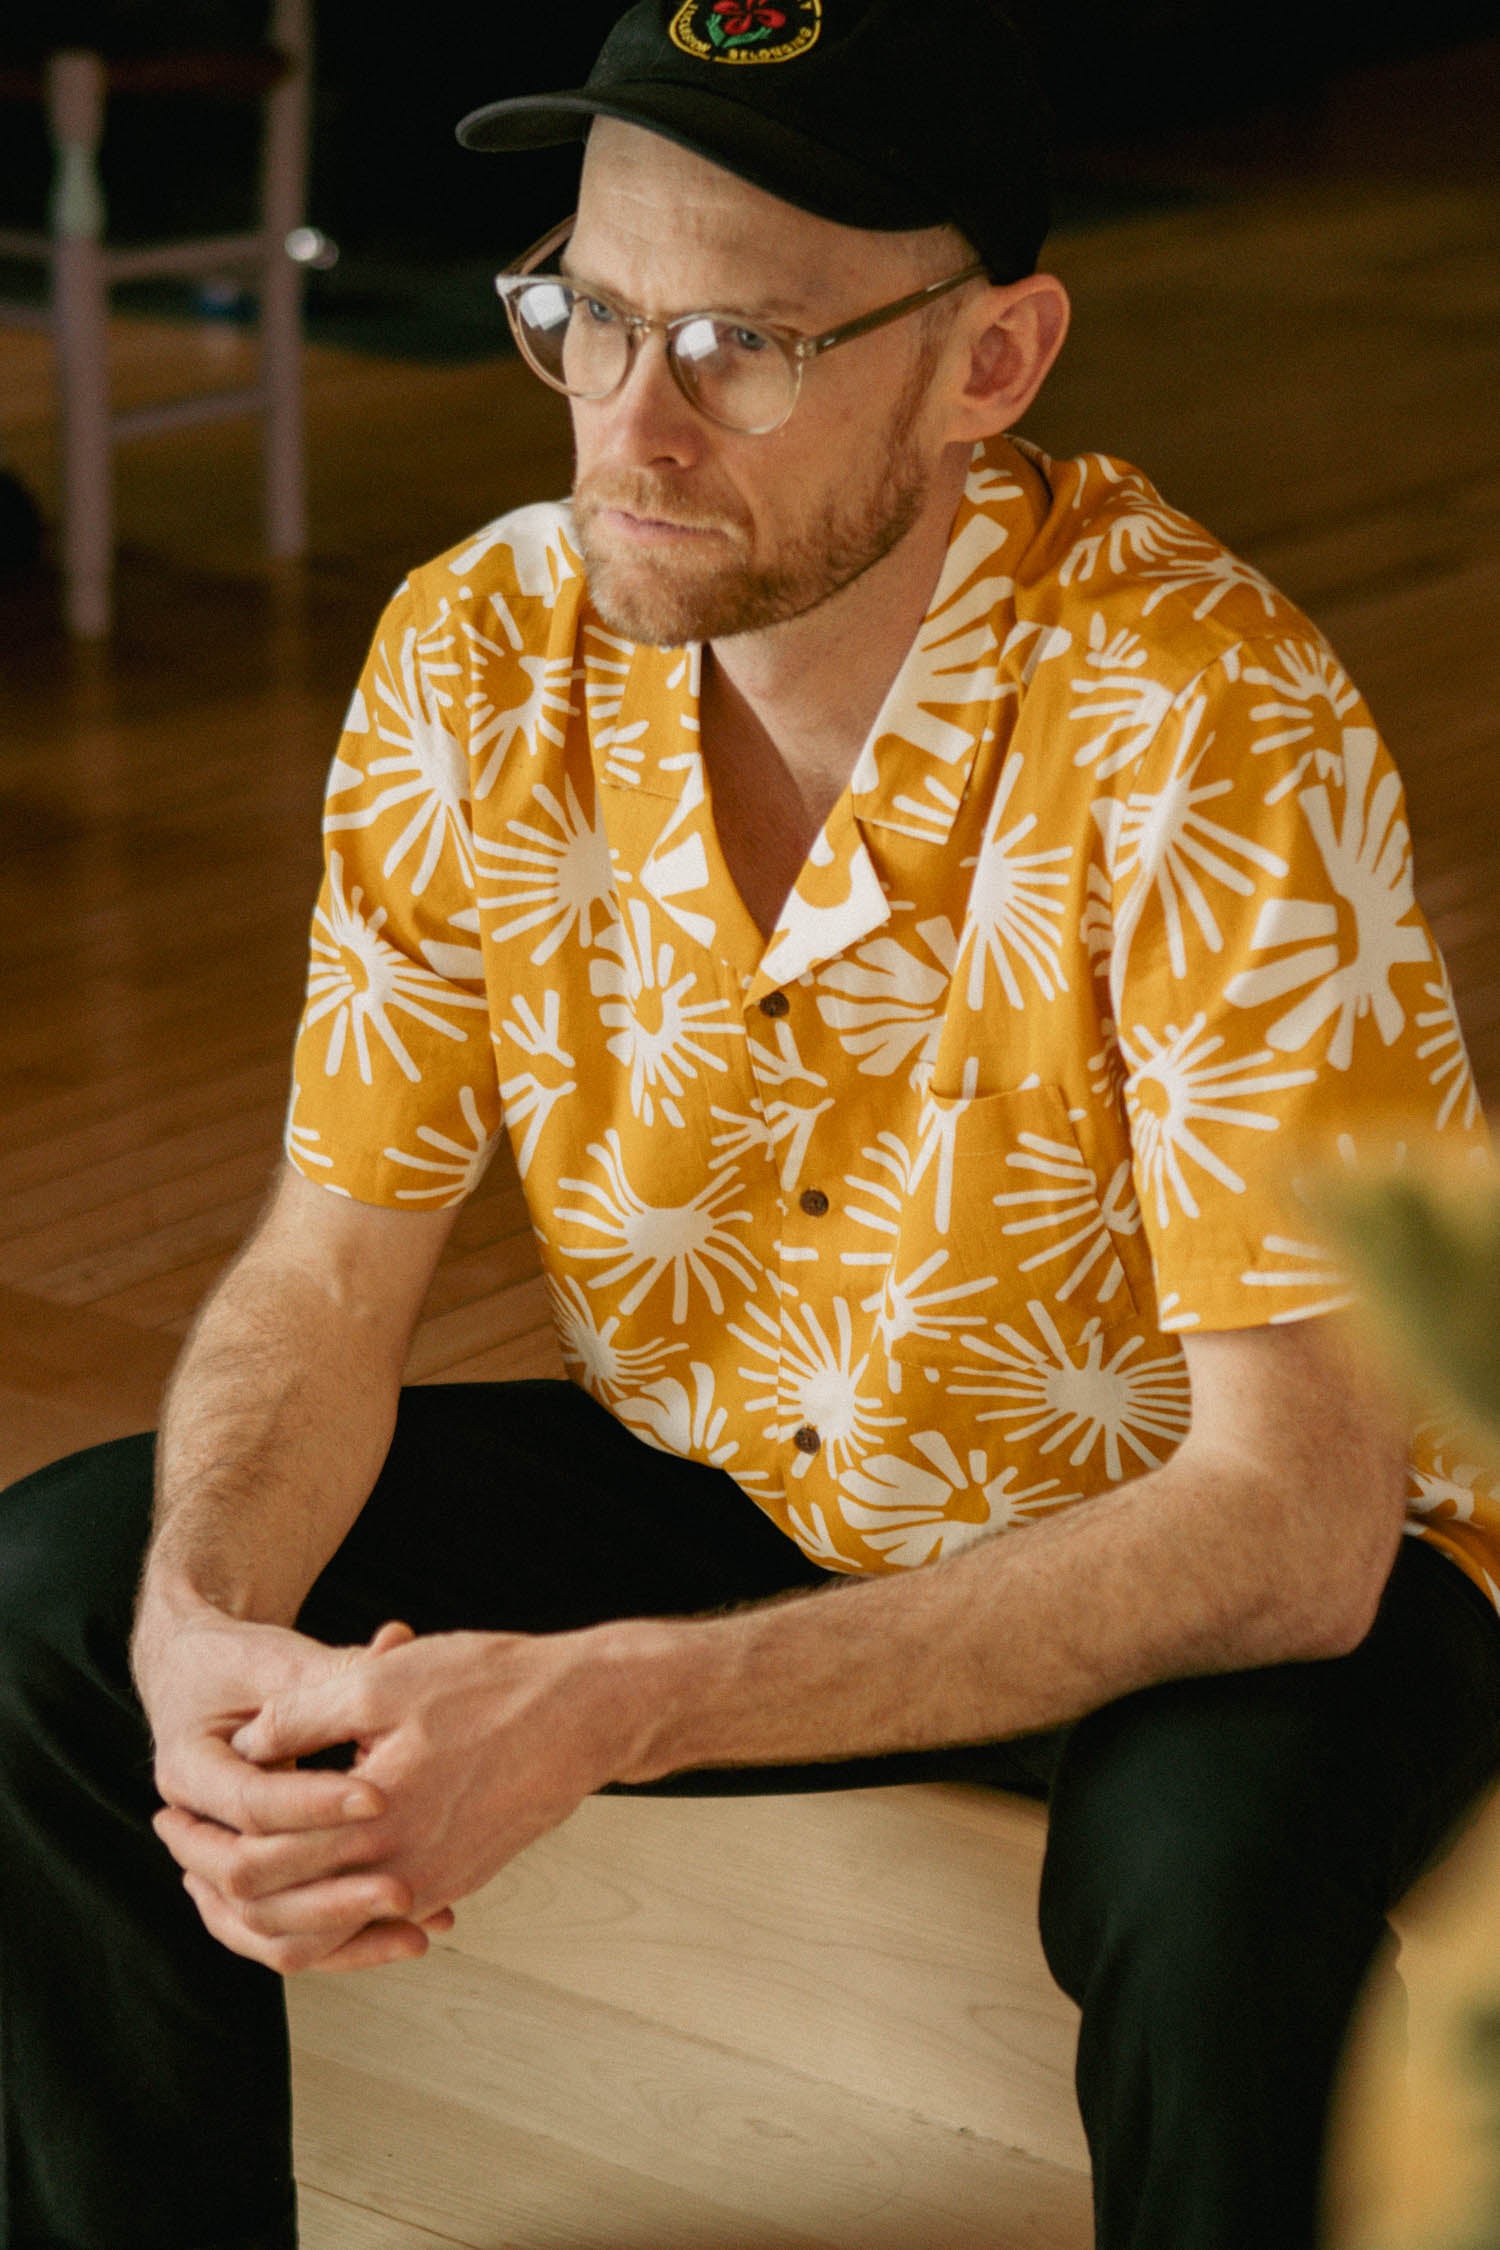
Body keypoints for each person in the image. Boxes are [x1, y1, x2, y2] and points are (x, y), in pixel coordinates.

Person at [3, 3, 1497, 2246]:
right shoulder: (473, 655)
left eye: (738, 346)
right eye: (586, 316)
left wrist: (622, 1703)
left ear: (991, 362)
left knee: (1208, 1896)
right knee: (54, 1597)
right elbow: (328, 1267)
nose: (632, 422)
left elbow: (1289, 1532)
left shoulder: (1206, 720)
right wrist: (205, 1623)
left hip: (1206, 1541)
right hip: (748, 1466)